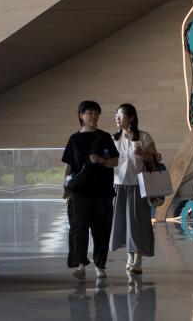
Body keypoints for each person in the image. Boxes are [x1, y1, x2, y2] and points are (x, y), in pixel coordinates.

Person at [62, 100, 119, 280]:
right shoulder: (74, 139)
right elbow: (69, 166)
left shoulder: (104, 137)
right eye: (89, 113)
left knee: (101, 229)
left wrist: (101, 160)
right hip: (79, 192)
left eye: (96, 113)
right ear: (81, 116)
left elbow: (115, 161)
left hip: (102, 192)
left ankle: (100, 265)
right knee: (79, 228)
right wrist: (66, 186)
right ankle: (80, 265)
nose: (93, 116)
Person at [109, 103, 161, 274]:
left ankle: (138, 260)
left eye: (121, 115)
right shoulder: (113, 139)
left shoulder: (144, 137)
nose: (117, 118)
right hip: (118, 185)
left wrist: (142, 154)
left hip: (139, 185)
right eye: (116, 115)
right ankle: (130, 257)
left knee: (138, 222)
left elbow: (156, 160)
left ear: (131, 118)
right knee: (123, 222)